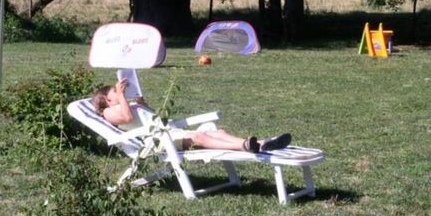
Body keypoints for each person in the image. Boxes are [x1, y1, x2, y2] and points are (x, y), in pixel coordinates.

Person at [91, 79, 291, 153]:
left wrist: (143, 105)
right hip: (157, 143)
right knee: (200, 137)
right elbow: (126, 119)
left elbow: (158, 119)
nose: (120, 93)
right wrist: (124, 98)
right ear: (106, 100)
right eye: (115, 93)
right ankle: (244, 146)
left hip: (169, 133)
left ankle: (262, 143)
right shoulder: (109, 112)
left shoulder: (128, 105)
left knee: (216, 130)